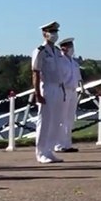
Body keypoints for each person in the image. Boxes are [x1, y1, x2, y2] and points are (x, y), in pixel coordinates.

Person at [30, 21, 67, 164]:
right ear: (44, 33)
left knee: (56, 121)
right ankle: (41, 152)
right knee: (45, 121)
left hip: (58, 87)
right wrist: (37, 93)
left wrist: (62, 89)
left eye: (56, 31)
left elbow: (60, 72)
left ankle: (49, 150)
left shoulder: (57, 51)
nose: (54, 35)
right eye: (51, 32)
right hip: (47, 87)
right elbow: (36, 73)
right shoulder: (40, 51)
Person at [56, 37, 82, 153]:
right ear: (63, 47)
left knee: (70, 118)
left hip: (73, 90)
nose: (72, 48)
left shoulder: (73, 62)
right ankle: (59, 144)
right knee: (61, 118)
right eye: (69, 46)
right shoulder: (60, 60)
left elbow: (78, 77)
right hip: (64, 90)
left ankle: (67, 143)